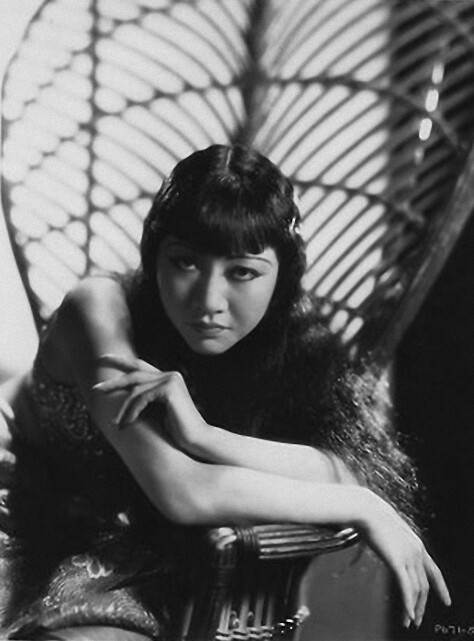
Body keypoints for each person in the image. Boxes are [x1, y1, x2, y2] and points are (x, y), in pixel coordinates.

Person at [0, 144, 450, 640]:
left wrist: (205, 437)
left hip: (118, 545)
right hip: (20, 514)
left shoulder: (287, 340)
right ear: (154, 255)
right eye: (185, 263)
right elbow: (181, 491)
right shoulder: (99, 308)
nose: (209, 301)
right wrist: (363, 506)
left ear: (282, 275)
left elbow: (338, 468)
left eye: (242, 272)